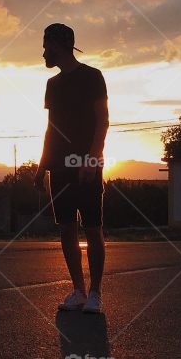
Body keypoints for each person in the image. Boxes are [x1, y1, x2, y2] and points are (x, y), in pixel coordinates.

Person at [33, 23, 109, 314]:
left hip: (86, 165)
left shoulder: (92, 77)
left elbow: (102, 121)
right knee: (66, 229)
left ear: (59, 45)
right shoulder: (53, 85)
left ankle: (95, 294)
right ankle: (77, 290)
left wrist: (92, 159)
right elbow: (50, 130)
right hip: (59, 169)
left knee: (92, 229)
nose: (43, 53)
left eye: (45, 46)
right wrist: (42, 168)